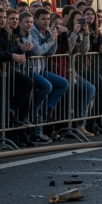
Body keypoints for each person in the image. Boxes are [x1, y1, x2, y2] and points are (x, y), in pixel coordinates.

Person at [25, 8, 70, 144]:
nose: (46, 22)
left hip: (41, 69)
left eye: (48, 19)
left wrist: (54, 38)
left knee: (63, 83)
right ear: (36, 20)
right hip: (30, 69)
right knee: (47, 86)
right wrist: (51, 40)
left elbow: (50, 52)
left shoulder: (48, 31)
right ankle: (35, 111)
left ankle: (47, 110)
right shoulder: (33, 31)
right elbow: (37, 50)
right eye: (43, 19)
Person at [0, 7, 34, 133]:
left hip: (4, 69)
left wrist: (22, 49)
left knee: (27, 83)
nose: (3, 20)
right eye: (0, 17)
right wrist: (15, 52)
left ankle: (12, 113)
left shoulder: (4, 33)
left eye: (4, 18)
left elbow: (7, 51)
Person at [81, 8, 102, 134]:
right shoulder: (83, 30)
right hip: (85, 67)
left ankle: (98, 122)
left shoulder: (98, 32)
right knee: (97, 87)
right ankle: (90, 123)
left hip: (97, 65)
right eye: (87, 14)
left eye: (92, 14)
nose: (90, 16)